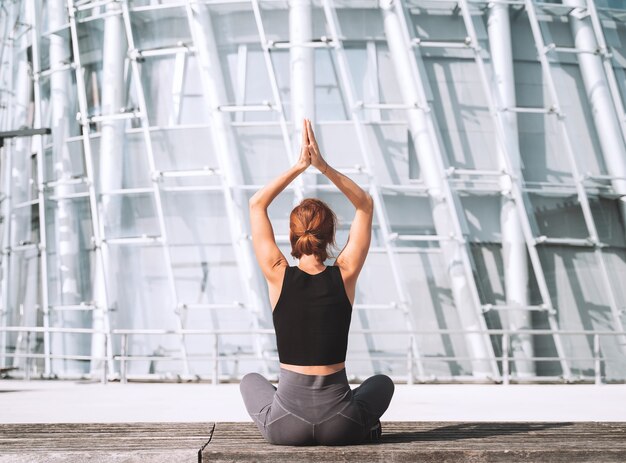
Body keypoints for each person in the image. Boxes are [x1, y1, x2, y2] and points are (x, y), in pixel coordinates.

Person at [240, 119, 394, 446]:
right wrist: (322, 167)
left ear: (292, 235)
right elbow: (365, 204)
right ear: (330, 236)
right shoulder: (345, 272)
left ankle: (279, 421)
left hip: (286, 427)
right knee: (382, 383)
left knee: (251, 381)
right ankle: (364, 425)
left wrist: (299, 167)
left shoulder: (277, 273)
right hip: (342, 425)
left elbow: (256, 204)